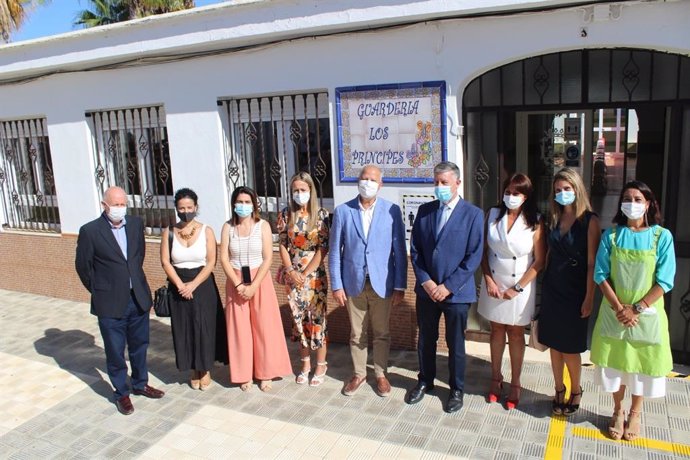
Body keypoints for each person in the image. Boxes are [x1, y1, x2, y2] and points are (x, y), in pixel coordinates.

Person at [591, 181, 675, 441]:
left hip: (645, 315)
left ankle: (635, 413)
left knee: (640, 367)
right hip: (615, 313)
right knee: (616, 365)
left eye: (638, 199)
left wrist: (637, 308)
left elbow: (665, 279)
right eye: (627, 198)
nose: (632, 204)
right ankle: (617, 410)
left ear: (648, 204)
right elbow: (600, 274)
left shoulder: (662, 236)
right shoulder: (612, 236)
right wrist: (619, 307)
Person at [75, 186, 164, 415]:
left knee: (139, 346)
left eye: (123, 204)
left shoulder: (135, 225)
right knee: (115, 350)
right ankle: (121, 393)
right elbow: (83, 267)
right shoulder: (90, 231)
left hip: (137, 299)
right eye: (115, 204)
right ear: (104, 206)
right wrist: (101, 290)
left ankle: (140, 383)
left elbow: (137, 257)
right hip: (110, 303)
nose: (119, 208)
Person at [407, 161, 484, 413]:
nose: (439, 187)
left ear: (457, 184)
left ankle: (456, 389)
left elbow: (473, 256)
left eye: (444, 182)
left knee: (455, 344)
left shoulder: (473, 214)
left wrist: (448, 287)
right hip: (427, 291)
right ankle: (425, 381)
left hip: (457, 293)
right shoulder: (425, 211)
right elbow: (416, 250)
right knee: (426, 340)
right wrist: (427, 282)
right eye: (436, 182)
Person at [329, 165, 408, 397]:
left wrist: (400, 285)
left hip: (382, 283)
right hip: (353, 283)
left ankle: (381, 374)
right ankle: (359, 373)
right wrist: (336, 284)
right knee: (357, 333)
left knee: (382, 332)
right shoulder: (343, 211)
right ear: (358, 181)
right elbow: (335, 251)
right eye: (364, 178)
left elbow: (399, 252)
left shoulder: (391, 211)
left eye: (373, 179)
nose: (368, 182)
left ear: (380, 185)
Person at [477, 173, 545, 410]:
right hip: (493, 283)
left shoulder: (535, 220)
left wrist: (517, 288)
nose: (511, 197)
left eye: (516, 193)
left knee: (516, 334)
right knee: (496, 330)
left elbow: (539, 261)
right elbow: (483, 252)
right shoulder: (492, 215)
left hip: (520, 286)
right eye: (507, 192)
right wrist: (487, 279)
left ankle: (516, 383)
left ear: (525, 196)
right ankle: (496, 378)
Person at [538, 167, 600, 416]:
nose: (562, 194)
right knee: (554, 344)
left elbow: (592, 264)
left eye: (567, 189)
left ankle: (575, 390)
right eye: (558, 190)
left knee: (570, 348)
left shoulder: (590, 221)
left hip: (575, 292)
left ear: (577, 189)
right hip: (553, 288)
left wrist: (589, 297)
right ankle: (558, 388)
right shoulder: (553, 218)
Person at [220, 186, 292, 391]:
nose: (243, 206)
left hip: (260, 280)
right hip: (236, 281)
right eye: (239, 202)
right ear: (233, 204)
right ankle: (244, 374)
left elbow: (268, 257)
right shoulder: (227, 227)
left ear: (254, 204)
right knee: (239, 329)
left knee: (263, 327)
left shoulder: (263, 226)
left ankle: (265, 372)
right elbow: (224, 258)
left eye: (247, 202)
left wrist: (254, 286)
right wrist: (238, 284)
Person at [160, 188, 228, 391]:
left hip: (202, 284)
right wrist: (180, 285)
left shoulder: (206, 230)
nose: (186, 211)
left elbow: (211, 261)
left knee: (204, 327)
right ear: (176, 209)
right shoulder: (169, 232)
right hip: (178, 285)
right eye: (182, 208)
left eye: (189, 207)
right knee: (184, 328)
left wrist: (193, 284)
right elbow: (165, 261)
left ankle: (204, 368)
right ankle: (192, 368)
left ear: (196, 207)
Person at [277, 171, 330, 386]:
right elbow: (281, 243)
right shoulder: (285, 214)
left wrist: (305, 274)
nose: (299, 194)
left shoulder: (322, 215)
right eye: (295, 190)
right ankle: (305, 363)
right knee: (299, 322)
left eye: (303, 190)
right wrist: (291, 271)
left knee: (317, 321)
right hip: (293, 275)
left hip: (314, 277)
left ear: (311, 191)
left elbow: (323, 248)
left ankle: (321, 364)